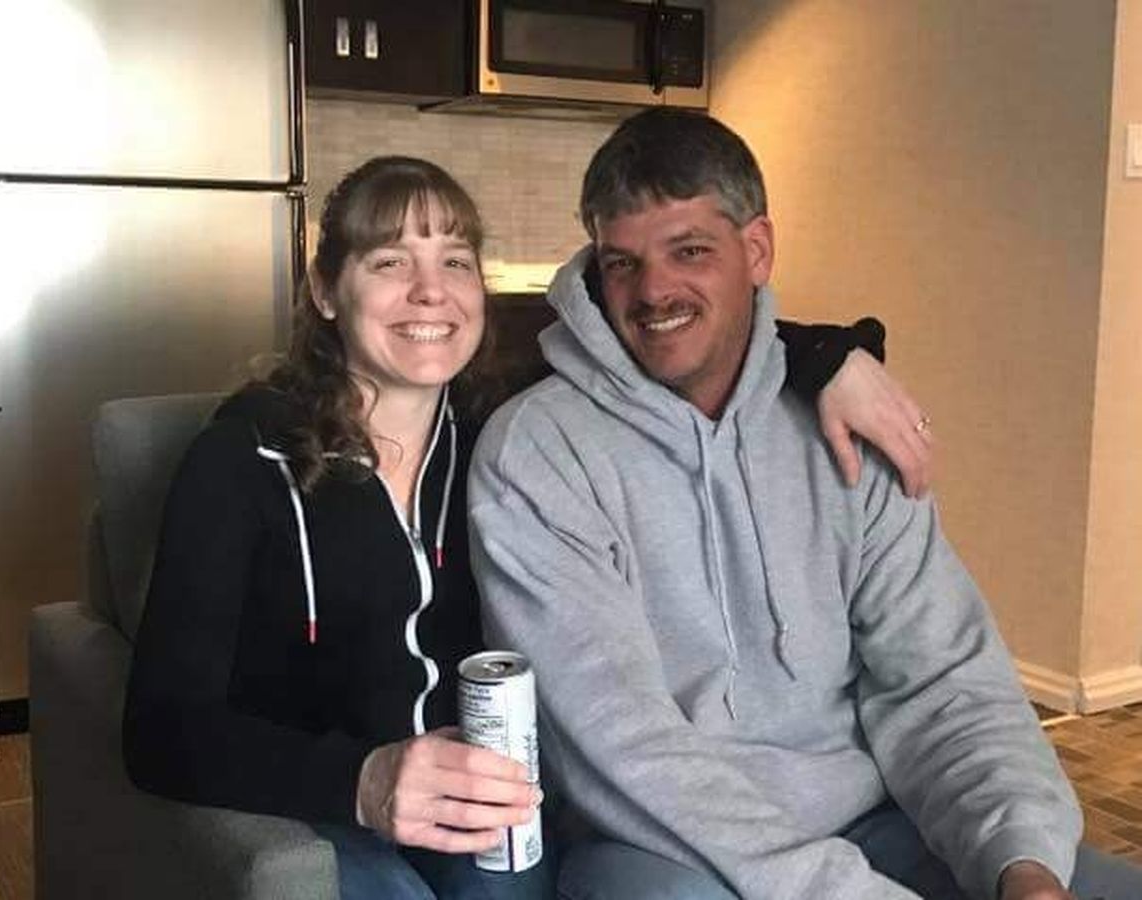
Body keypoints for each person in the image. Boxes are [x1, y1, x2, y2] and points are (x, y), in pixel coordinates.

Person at [123, 154, 933, 900]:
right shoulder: (242, 460)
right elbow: (159, 730)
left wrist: (829, 356)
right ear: (328, 291)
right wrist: (363, 780)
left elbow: (668, 334)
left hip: (486, 805)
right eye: (390, 262)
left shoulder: (508, 431)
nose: (430, 292)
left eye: (455, 262)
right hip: (320, 804)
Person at [467, 110, 1142, 900]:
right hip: (661, 849)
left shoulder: (850, 426)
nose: (652, 290)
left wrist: (1022, 865)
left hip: (874, 822)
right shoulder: (538, 453)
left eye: (689, 250)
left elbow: (946, 682)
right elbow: (622, 747)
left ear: (756, 250)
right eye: (622, 262)